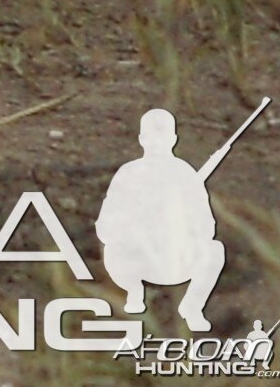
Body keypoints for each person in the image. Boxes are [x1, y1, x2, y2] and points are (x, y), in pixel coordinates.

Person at [98, 107, 230, 331]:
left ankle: (192, 306)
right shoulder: (128, 174)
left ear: (173, 139)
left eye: (162, 136)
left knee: (214, 250)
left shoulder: (186, 175)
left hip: (176, 262)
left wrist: (178, 224)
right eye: (152, 137)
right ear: (142, 139)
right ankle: (133, 292)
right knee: (111, 249)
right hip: (137, 261)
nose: (157, 143)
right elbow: (106, 226)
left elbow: (207, 227)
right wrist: (137, 226)